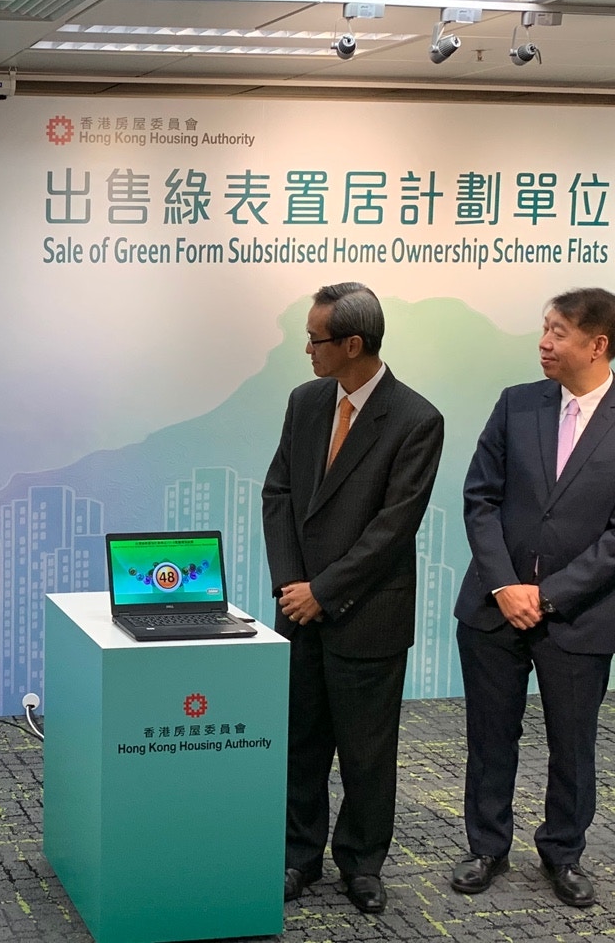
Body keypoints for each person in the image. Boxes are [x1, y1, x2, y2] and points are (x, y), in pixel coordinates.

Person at [262, 282, 444, 914]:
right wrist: (292, 586)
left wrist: (325, 591)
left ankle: (362, 863)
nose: (307, 350)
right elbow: (279, 493)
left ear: (353, 344)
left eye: (315, 339)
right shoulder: (306, 401)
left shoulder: (416, 419)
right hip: (299, 609)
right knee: (301, 742)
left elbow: (393, 528)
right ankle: (298, 855)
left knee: (367, 753)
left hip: (366, 614)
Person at [451, 287, 615, 908]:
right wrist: (505, 584)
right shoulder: (516, 404)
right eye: (544, 329)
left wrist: (546, 597)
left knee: (573, 743)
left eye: (558, 332)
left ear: (597, 345)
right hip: (493, 607)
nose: (543, 343)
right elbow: (480, 498)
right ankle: (486, 846)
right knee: (490, 736)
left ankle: (563, 852)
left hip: (579, 615)